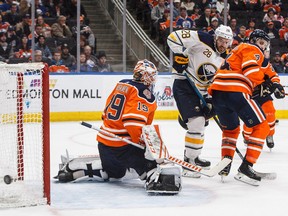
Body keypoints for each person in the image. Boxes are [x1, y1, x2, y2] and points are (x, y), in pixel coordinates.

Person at [55, 59, 182, 194]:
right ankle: (156, 180)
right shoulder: (143, 94)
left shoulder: (122, 83)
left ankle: (76, 168)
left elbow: (105, 113)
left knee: (116, 173)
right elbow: (132, 123)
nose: (152, 80)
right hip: (124, 147)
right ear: (145, 76)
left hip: (104, 145)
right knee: (151, 167)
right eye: (151, 76)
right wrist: (147, 147)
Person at [207, 29, 285, 185]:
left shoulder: (235, 52)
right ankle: (246, 167)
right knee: (262, 126)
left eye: (264, 43)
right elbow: (250, 70)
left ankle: (225, 164)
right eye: (260, 42)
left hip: (217, 93)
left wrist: (275, 84)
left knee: (230, 130)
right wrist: (265, 83)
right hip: (235, 90)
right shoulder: (251, 49)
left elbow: (270, 73)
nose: (262, 46)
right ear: (254, 41)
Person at [166, 24, 233, 177]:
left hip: (201, 90)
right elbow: (173, 37)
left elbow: (213, 80)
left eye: (226, 42)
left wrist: (209, 99)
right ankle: (188, 162)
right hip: (184, 83)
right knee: (196, 122)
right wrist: (181, 55)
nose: (223, 44)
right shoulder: (202, 38)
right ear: (216, 37)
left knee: (201, 123)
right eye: (221, 40)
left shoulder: (225, 58)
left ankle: (194, 157)